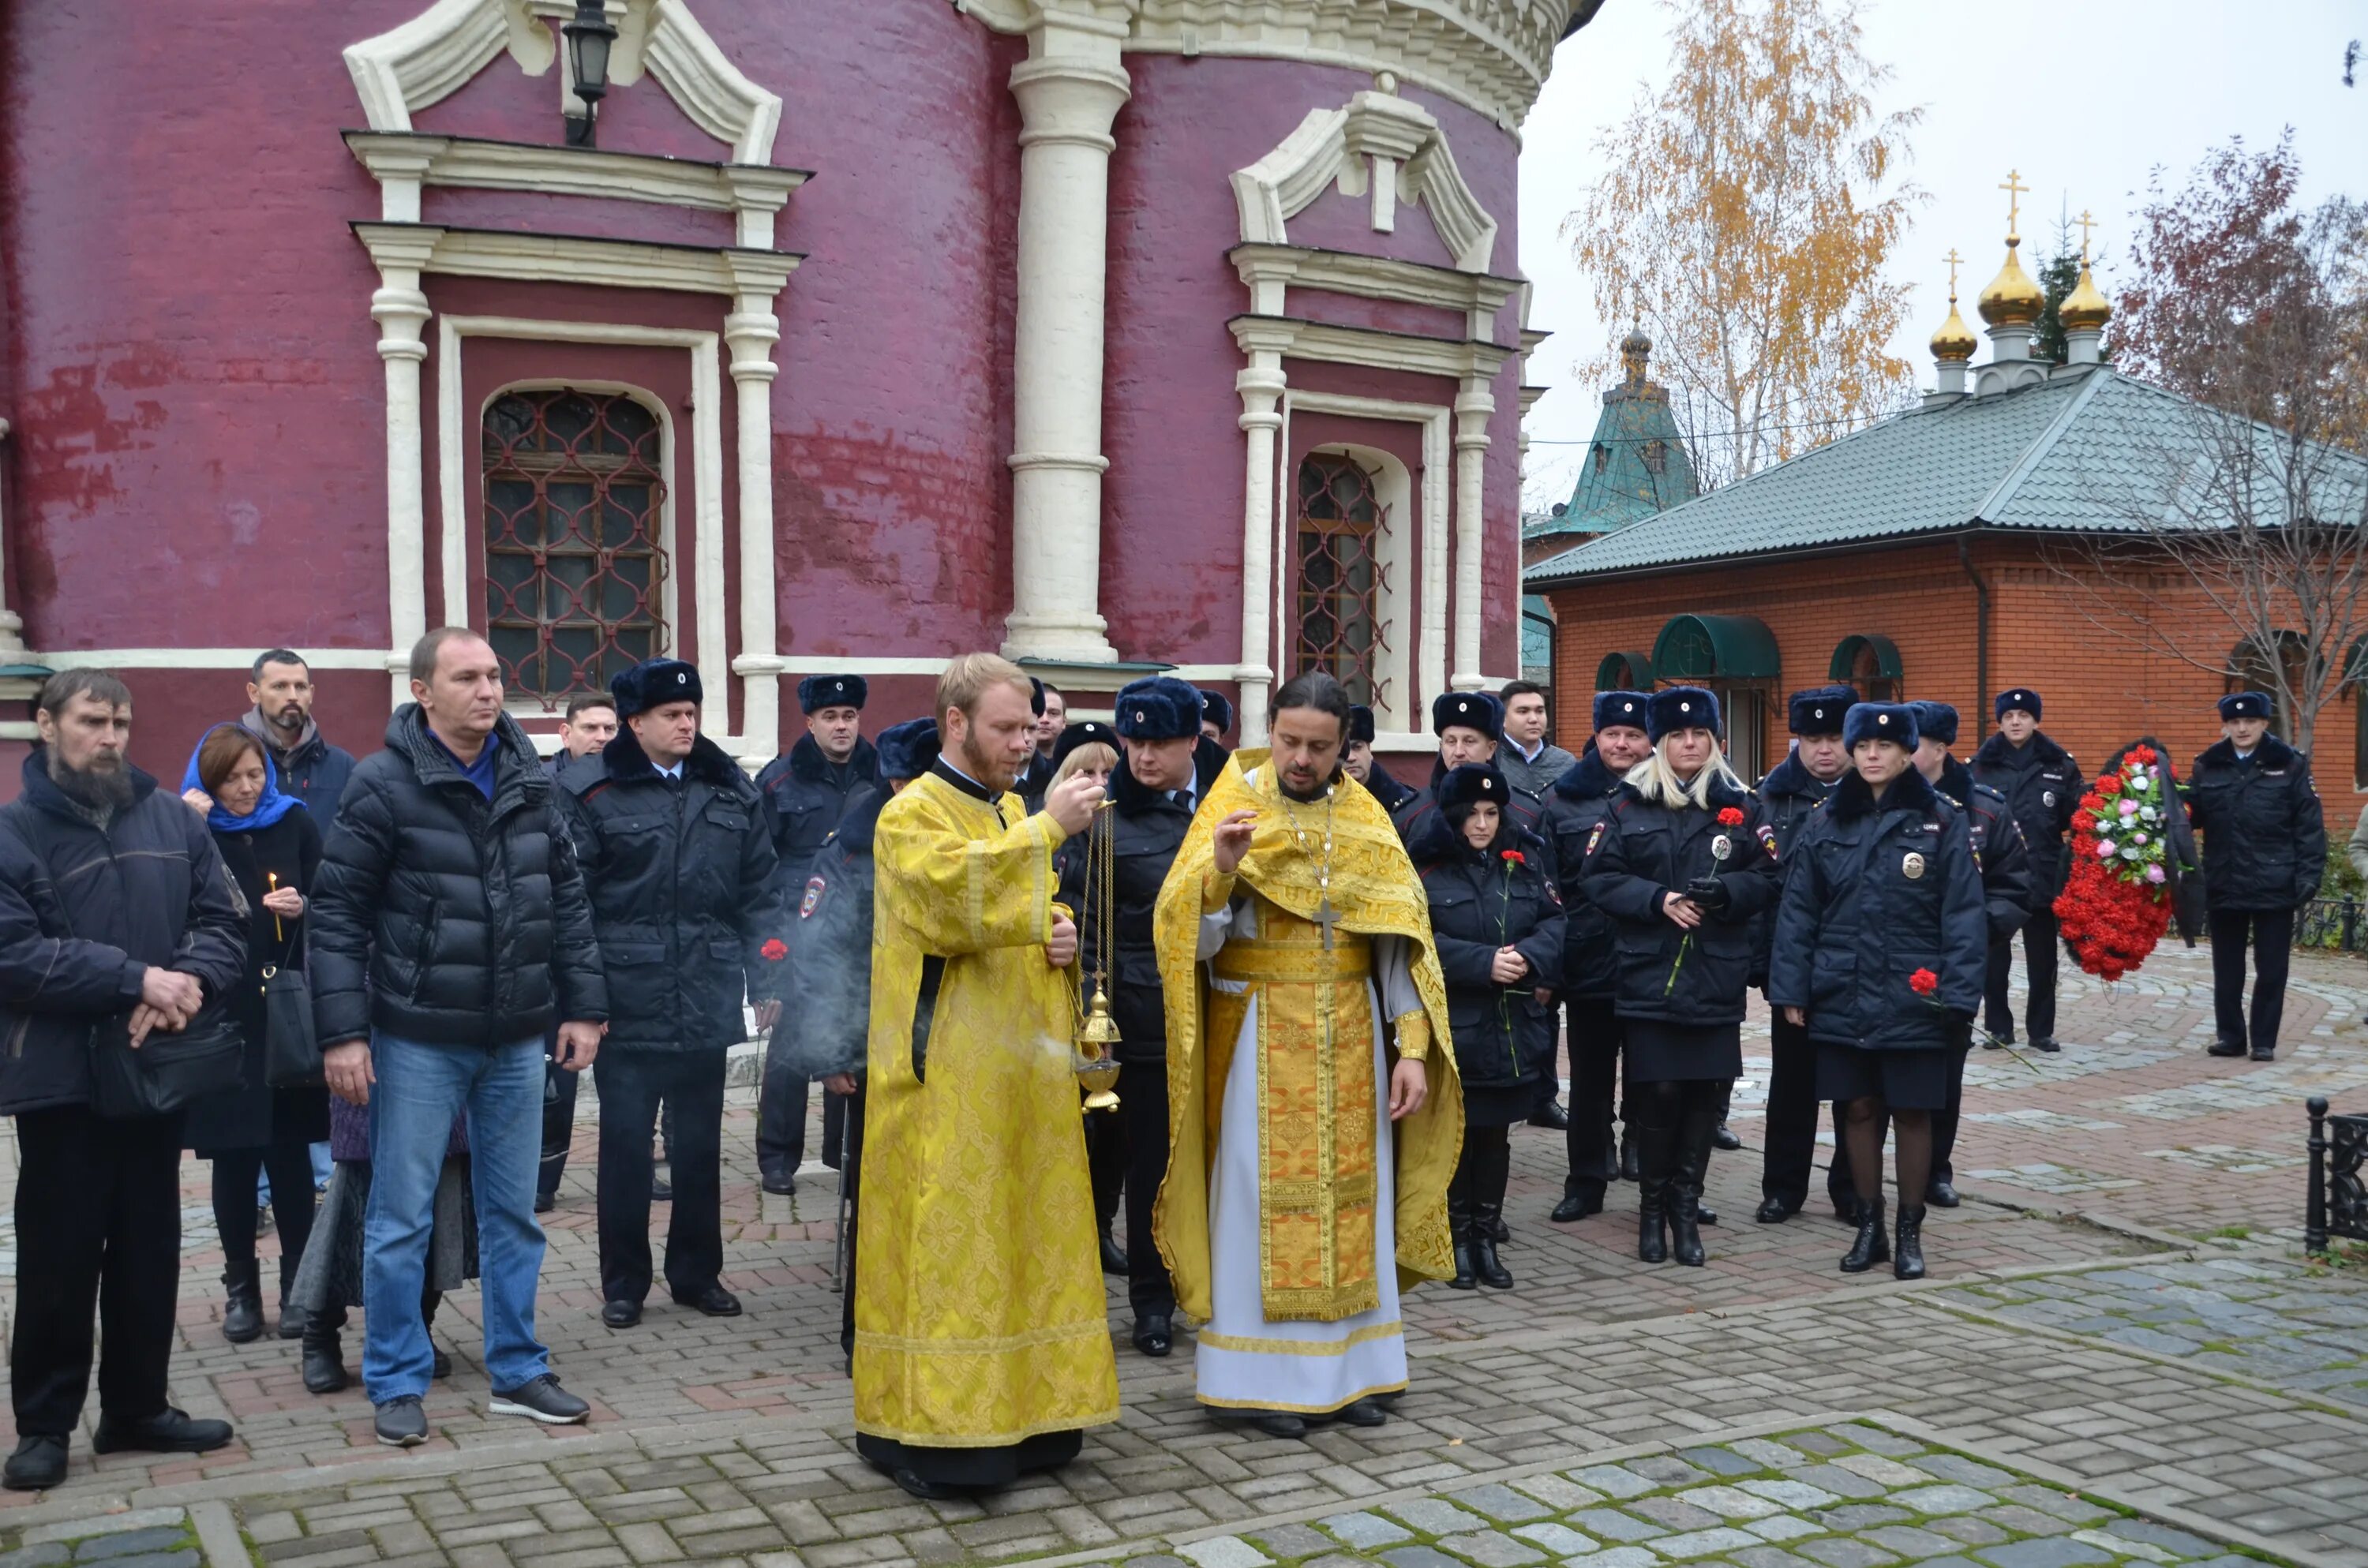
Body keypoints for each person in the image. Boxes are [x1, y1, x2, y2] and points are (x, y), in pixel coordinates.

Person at [309, 627, 608, 1448]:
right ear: (423, 692)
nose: (488, 690)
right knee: (400, 1218)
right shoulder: (381, 783)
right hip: (418, 1038)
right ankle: (396, 1378)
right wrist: (343, 1033)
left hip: (516, 1036)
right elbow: (336, 913)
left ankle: (518, 1369)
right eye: (467, 677)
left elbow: (566, 899)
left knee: (515, 1215)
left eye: (494, 675)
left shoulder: (530, 777)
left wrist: (583, 1006)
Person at [1153, 671, 1462, 1438]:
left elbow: (1397, 945)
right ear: (1272, 729)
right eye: (1289, 740)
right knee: (1256, 1202)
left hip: (1353, 1035)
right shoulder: (1232, 804)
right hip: (1257, 1036)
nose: (1300, 757)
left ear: (1345, 745)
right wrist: (1222, 873)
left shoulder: (1365, 819)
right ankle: (1257, 1383)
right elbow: (1187, 941)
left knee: (1355, 1198)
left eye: (1319, 746)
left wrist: (1412, 1048)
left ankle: (1354, 1375)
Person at [854, 653, 1118, 1499]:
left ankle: (1038, 1411)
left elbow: (1024, 905)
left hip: (1023, 1067)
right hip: (947, 1071)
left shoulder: (1008, 807)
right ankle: (940, 1433)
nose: (1023, 744)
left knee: (1026, 1230)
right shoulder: (910, 813)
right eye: (1007, 728)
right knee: (955, 1241)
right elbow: (948, 904)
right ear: (956, 723)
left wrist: (1060, 928)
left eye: (1030, 728)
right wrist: (1045, 831)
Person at [0, 672, 247, 1492]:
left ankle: (137, 1409)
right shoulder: (12, 832)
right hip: (61, 1079)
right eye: (91, 721)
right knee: (58, 1257)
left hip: (157, 1066)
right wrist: (133, 978)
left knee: (149, 1249)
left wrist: (187, 984)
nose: (109, 738)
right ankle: (44, 1426)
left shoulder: (175, 820)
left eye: (121, 723)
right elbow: (13, 953)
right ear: (46, 725)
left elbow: (224, 920)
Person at [560, 660, 783, 1329]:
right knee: (626, 1149)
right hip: (628, 1001)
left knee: (699, 1148)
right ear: (635, 721)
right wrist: (585, 1004)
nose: (687, 723)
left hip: (707, 992)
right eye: (671, 714)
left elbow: (761, 893)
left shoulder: (729, 788)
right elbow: (573, 908)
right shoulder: (591, 791)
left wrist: (769, 976)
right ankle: (624, 1282)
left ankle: (696, 1273)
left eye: (692, 712)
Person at [1769, 703, 1987, 1282]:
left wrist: (1959, 995)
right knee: (1857, 1108)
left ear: (1907, 752)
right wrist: (1791, 988)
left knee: (1913, 1112)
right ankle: (1870, 1225)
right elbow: (1799, 911)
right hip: (1843, 988)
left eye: (1884, 746)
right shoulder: (1826, 821)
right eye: (1863, 745)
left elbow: (1964, 916)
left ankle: (1910, 1230)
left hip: (1917, 994)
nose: (1871, 755)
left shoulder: (1942, 820)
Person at [1581, 687, 1778, 1269]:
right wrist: (1658, 899)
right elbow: (1598, 877)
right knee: (1659, 1093)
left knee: (1705, 1096)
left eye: (1700, 735)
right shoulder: (1628, 804)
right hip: (1650, 974)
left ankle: (1685, 1210)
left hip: (1715, 974)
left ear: (1715, 741)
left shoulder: (1742, 805)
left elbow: (1770, 876)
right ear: (1660, 743)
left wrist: (1728, 891)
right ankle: (1651, 1211)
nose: (1689, 744)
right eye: (1677, 736)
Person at [1826, 702, 2035, 1218]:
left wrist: (1971, 934)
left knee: (1932, 1090)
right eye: (1866, 745)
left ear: (1938, 749)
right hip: (1868, 973)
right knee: (1860, 1096)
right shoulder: (1840, 812)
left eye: (1899, 744)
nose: (1877, 754)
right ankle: (1857, 1190)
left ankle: (1933, 1173)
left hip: (1940, 972)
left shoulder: (1975, 808)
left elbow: (2009, 886)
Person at [784, 717, 939, 1367]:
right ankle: (865, 1332)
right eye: (904, 781)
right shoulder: (851, 848)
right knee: (875, 1194)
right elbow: (818, 954)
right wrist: (833, 1053)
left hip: (953, 1039)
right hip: (875, 1039)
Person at [1058, 677, 1201, 1359]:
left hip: (1216, 1015)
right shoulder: (1103, 821)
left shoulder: (1219, 808)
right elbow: (1082, 926)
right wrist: (1094, 1022)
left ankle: (1205, 1288)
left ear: (1192, 741)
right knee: (1144, 1167)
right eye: (1134, 741)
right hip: (1137, 1021)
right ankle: (1149, 1301)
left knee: (1202, 1162)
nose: (1144, 755)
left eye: (1160, 742)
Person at [177, 725, 329, 1346]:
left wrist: (304, 905)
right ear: (207, 781)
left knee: (290, 1155)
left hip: (286, 1009)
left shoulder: (294, 821)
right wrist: (185, 825)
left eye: (255, 774)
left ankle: (299, 1286)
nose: (246, 788)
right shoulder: (188, 828)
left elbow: (334, 895)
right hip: (222, 1013)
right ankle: (241, 1289)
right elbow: (165, 906)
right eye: (231, 778)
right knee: (234, 1157)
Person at [1412, 765, 1562, 1290]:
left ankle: (1485, 1238)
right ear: (1452, 816)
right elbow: (1415, 940)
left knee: (1496, 1138)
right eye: (1472, 814)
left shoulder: (1521, 862)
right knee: (1458, 1138)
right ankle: (1456, 1239)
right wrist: (1481, 962)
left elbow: (1554, 920)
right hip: (1457, 1027)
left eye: (1492, 813)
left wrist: (1529, 955)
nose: (1482, 824)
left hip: (1510, 1031)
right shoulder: (1427, 870)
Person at [755, 675, 880, 1195]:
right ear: (809, 722)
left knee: (847, 1041)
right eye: (830, 717)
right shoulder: (779, 781)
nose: (841, 726)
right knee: (790, 1048)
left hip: (856, 934)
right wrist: (767, 966)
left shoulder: (881, 773)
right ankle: (777, 1158)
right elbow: (759, 868)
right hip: (794, 932)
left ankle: (840, 1151)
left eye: (849, 716)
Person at [1542, 690, 1653, 1222]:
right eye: (1613, 734)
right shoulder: (1562, 799)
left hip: (1652, 960)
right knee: (1589, 1081)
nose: (1622, 744)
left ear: (1650, 740)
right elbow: (1547, 888)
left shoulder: (1667, 795)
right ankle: (1586, 1180)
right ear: (1597, 736)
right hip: (1587, 961)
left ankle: (1649, 1164)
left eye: (1634, 735)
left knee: (1653, 1075)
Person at [1748, 687, 1856, 1226]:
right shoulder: (1770, 797)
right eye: (1813, 739)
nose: (1825, 749)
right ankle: (1783, 1188)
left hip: (1856, 964)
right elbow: (1759, 883)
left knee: (1854, 1086)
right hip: (1791, 960)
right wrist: (1766, 967)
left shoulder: (1874, 795)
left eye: (1835, 737)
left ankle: (1852, 1189)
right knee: (1792, 1085)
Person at [2190, 691, 2325, 1063]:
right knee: (2227, 968)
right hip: (2225, 878)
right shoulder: (2208, 765)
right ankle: (2230, 1037)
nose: (2242, 728)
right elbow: (2190, 815)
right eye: (2234, 722)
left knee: (2272, 969)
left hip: (2275, 880)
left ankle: (2263, 1040)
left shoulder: (2290, 764)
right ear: (2225, 726)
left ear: (2265, 723)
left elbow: (2309, 826)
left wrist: (2309, 875)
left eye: (2250, 721)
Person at [538, 690, 622, 1213]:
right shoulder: (543, 789)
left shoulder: (629, 787)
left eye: (610, 729)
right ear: (566, 734)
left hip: (618, 947)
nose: (602, 738)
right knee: (557, 1076)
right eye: (591, 728)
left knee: (624, 1080)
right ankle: (542, 1180)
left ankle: (629, 1170)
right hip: (557, 951)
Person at [1971, 688, 2078, 1053]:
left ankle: (2041, 1030)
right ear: (1999, 722)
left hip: (2042, 874)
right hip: (1995, 878)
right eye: (2008, 716)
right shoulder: (1980, 766)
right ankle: (1998, 1028)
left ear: (2035, 720)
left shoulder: (2059, 765)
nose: (2016, 722)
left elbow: (2074, 819)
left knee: (2043, 960)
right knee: (1994, 961)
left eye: (2023, 716)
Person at [240, 649, 359, 818]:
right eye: (280, 686)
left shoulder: (342, 767)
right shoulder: (227, 759)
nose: (293, 696)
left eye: (300, 687)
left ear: (311, 693)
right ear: (254, 693)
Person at [1495, 681, 1576, 803]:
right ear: (1503, 718)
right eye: (1523, 711)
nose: (1533, 719)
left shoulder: (1566, 762)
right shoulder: (1491, 760)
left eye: (1539, 711)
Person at [1343, 704, 1418, 814]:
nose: (1350, 758)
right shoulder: (1320, 802)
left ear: (1369, 749)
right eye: (1342, 750)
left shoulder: (1404, 804)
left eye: (1357, 747)